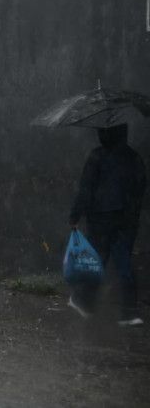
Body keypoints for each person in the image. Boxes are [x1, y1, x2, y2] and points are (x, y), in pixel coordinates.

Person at [68, 123, 146, 326]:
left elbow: (86, 188)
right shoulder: (133, 158)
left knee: (96, 261)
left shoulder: (97, 156)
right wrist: (131, 215)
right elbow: (140, 190)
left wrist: (75, 214)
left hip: (101, 219)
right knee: (123, 265)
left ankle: (83, 301)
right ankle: (129, 312)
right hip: (125, 221)